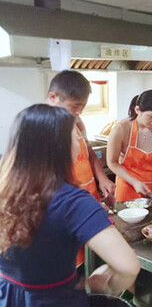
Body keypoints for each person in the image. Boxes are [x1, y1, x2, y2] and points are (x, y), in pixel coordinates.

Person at [0, 104, 140, 307]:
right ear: (61, 146)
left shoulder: (4, 188)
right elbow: (129, 266)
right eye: (75, 136)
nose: (79, 141)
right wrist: (110, 280)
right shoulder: (73, 201)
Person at [46, 70, 116, 269]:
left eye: (82, 107)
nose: (78, 112)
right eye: (74, 106)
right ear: (53, 97)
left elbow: (89, 152)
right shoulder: (41, 127)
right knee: (70, 266)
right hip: (64, 209)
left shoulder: (76, 121)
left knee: (91, 262)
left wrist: (102, 179)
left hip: (87, 201)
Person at [107, 90, 152, 201]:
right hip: (128, 188)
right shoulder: (121, 129)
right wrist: (135, 182)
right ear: (137, 110)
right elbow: (112, 162)